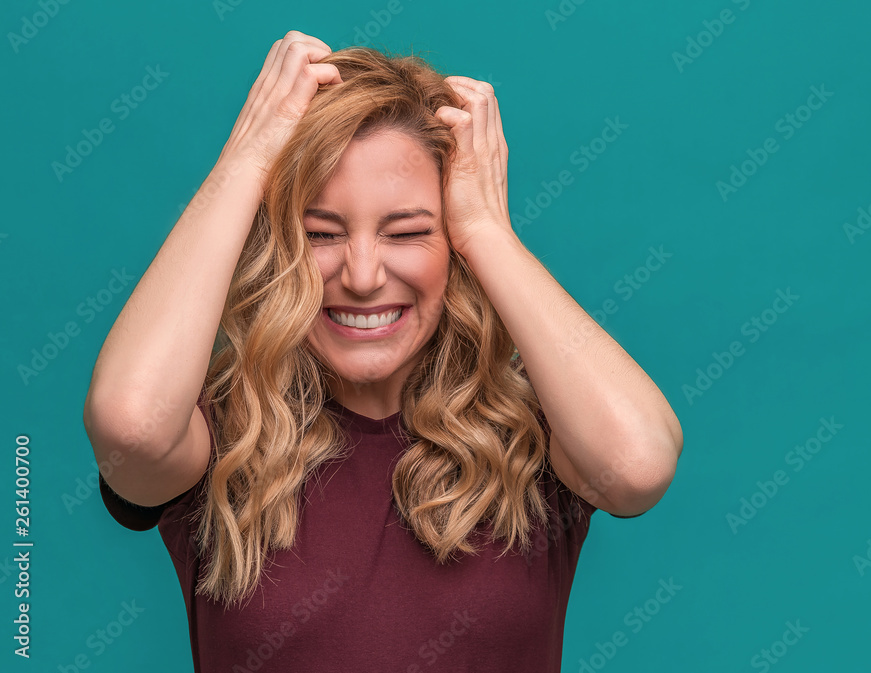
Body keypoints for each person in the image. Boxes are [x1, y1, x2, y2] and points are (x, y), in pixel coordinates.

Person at [83, 30, 683, 672]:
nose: (363, 275)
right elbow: (132, 424)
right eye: (319, 233)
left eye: (408, 232)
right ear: (278, 248)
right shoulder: (220, 439)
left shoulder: (533, 437)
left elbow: (637, 465)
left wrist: (486, 228)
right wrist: (249, 160)